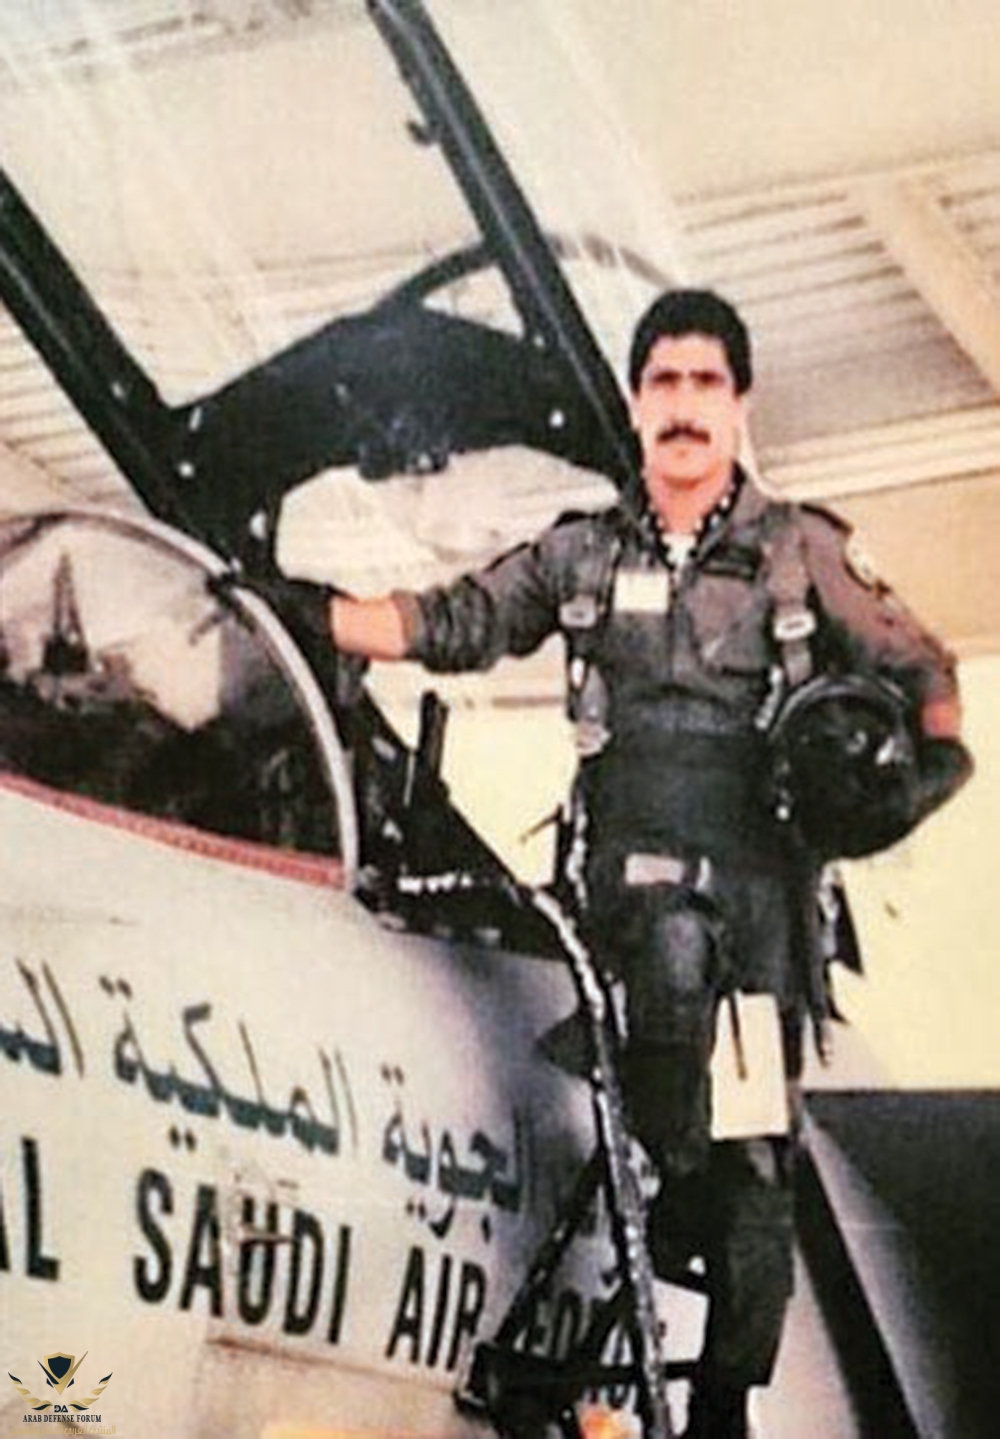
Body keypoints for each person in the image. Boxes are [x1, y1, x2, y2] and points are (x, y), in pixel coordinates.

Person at [255, 289, 972, 1438]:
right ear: (637, 403)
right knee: (670, 977)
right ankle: (675, 1185)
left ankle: (722, 1404)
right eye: (663, 383)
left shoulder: (800, 552)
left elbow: (924, 667)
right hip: (630, 891)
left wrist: (925, 774)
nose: (683, 406)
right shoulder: (580, 550)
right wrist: (309, 614)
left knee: (753, 1167)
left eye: (704, 383)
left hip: (757, 912)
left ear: (738, 404)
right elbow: (459, 620)